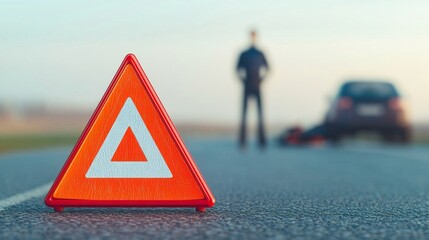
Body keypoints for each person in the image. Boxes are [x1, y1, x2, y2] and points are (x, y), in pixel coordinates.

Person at [236, 30, 269, 149]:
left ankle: (262, 141)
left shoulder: (260, 54)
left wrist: (261, 80)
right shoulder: (244, 54)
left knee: (260, 114)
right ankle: (242, 141)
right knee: (244, 114)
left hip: (257, 86)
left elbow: (268, 68)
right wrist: (243, 80)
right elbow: (237, 69)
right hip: (247, 86)